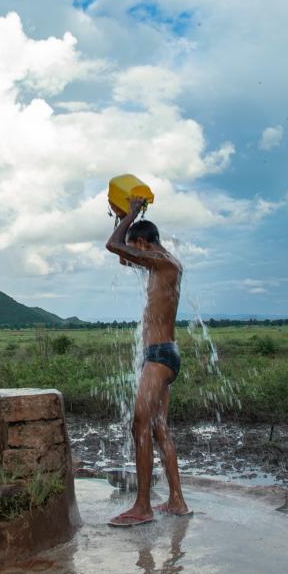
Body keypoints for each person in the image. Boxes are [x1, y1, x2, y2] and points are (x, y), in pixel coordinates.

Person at [105, 196, 190, 526]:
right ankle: (177, 501)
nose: (134, 253)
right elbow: (124, 258)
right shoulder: (162, 263)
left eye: (135, 246)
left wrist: (131, 213)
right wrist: (122, 220)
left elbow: (114, 247)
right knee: (157, 428)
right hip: (162, 355)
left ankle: (143, 506)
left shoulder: (166, 263)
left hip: (159, 357)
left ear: (143, 242)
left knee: (139, 424)